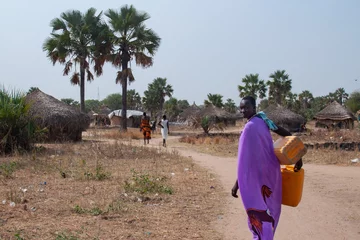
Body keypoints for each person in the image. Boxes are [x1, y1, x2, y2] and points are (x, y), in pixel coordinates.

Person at [231, 96, 303, 240]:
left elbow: (287, 134)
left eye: (246, 107)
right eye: (241, 108)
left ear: (254, 107)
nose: (243, 110)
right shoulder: (259, 122)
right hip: (261, 174)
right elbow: (246, 161)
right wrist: (237, 184)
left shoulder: (260, 123)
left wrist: (298, 156)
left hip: (267, 174)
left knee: (265, 208)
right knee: (263, 208)